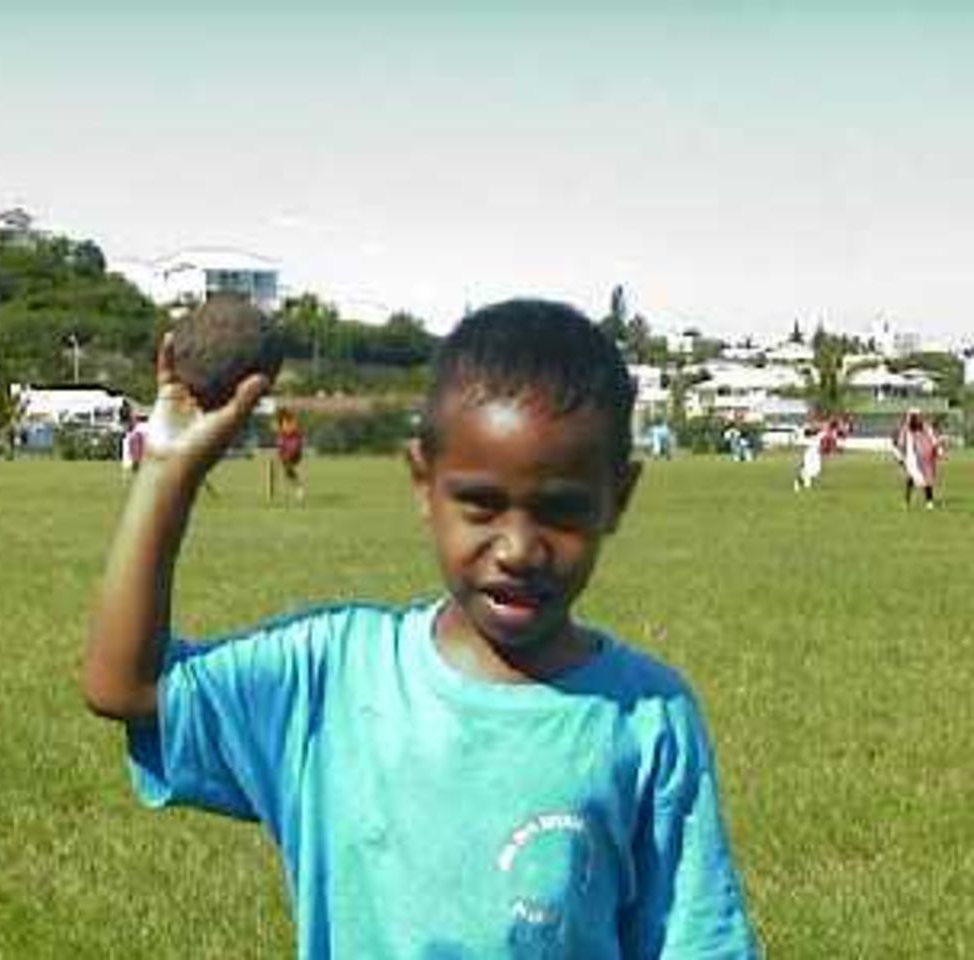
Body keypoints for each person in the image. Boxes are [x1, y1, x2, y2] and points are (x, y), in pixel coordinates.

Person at [83, 299, 758, 958]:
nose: (519, 548)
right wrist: (167, 473)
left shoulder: (647, 717)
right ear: (422, 482)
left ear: (619, 498)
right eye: (481, 505)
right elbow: (126, 688)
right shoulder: (331, 677)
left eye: (560, 510)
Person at [893, 408, 943, 509]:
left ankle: (929, 501)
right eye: (916, 416)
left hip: (925, 456)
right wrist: (900, 457)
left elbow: (932, 438)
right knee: (912, 478)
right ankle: (907, 501)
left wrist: (938, 450)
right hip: (911, 457)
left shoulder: (925, 427)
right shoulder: (906, 429)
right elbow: (900, 444)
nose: (919, 418)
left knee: (927, 478)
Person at [274, 406, 306, 502]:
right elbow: (280, 440)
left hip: (294, 450)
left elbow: (293, 432)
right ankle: (298, 487)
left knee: (288, 467)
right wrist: (280, 445)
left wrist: (283, 435)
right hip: (286, 451)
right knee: (287, 472)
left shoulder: (292, 422)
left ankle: (298, 487)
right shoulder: (281, 425)